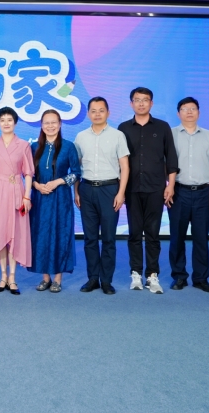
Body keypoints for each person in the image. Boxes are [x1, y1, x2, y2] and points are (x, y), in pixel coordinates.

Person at [118, 87, 179, 295]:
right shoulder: (123, 128)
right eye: (137, 100)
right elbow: (119, 161)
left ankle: (152, 275)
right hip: (132, 189)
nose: (141, 103)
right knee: (134, 233)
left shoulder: (162, 127)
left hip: (155, 188)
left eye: (145, 100)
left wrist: (170, 185)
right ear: (131, 103)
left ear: (151, 103)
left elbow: (171, 158)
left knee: (153, 234)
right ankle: (136, 273)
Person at [168, 97, 209, 294]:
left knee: (201, 238)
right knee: (177, 237)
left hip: (203, 193)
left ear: (199, 112)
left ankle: (201, 278)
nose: (189, 112)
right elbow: (163, 163)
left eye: (193, 108)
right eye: (185, 109)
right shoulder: (170, 135)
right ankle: (179, 276)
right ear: (178, 113)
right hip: (178, 192)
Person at [74, 97, 130, 295]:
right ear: (88, 113)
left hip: (110, 190)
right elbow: (77, 167)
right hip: (87, 189)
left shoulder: (118, 136)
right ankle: (92, 278)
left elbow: (125, 167)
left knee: (108, 238)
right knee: (89, 238)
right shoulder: (80, 137)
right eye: (93, 111)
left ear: (108, 113)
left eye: (101, 110)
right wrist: (76, 191)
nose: (97, 114)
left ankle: (106, 280)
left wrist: (121, 193)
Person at [0, 106, 34, 295]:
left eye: (9, 120)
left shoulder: (24, 145)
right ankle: (3, 276)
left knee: (15, 234)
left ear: (15, 122)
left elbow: (28, 173)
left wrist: (27, 196)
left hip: (17, 190)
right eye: (2, 120)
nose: (6, 123)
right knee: (0, 233)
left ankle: (13, 278)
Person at [28, 110, 81, 293]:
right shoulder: (34, 147)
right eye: (46, 123)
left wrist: (58, 182)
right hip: (40, 199)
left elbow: (76, 173)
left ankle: (57, 278)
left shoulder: (68, 146)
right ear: (41, 125)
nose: (50, 126)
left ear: (60, 124)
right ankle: (45, 278)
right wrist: (36, 185)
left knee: (60, 234)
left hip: (61, 199)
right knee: (40, 235)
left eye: (53, 122)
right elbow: (27, 174)